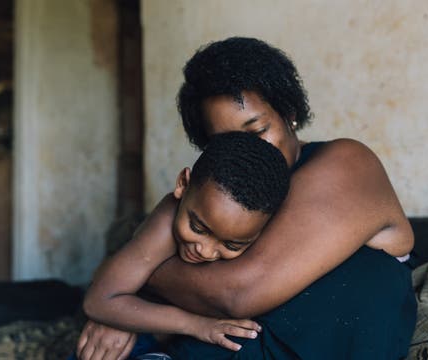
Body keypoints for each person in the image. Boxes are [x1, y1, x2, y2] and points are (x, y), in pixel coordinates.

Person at [76, 37, 416, 360]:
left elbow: (237, 293)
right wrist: (125, 305)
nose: (248, 152)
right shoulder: (216, 199)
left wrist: (130, 288)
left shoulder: (347, 162)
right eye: (226, 142)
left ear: (289, 112)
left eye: (257, 132)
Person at [81, 132, 289, 358]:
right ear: (183, 184)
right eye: (198, 229)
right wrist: (196, 325)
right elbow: (99, 301)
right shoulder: (164, 223)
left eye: (231, 244)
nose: (205, 251)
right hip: (142, 329)